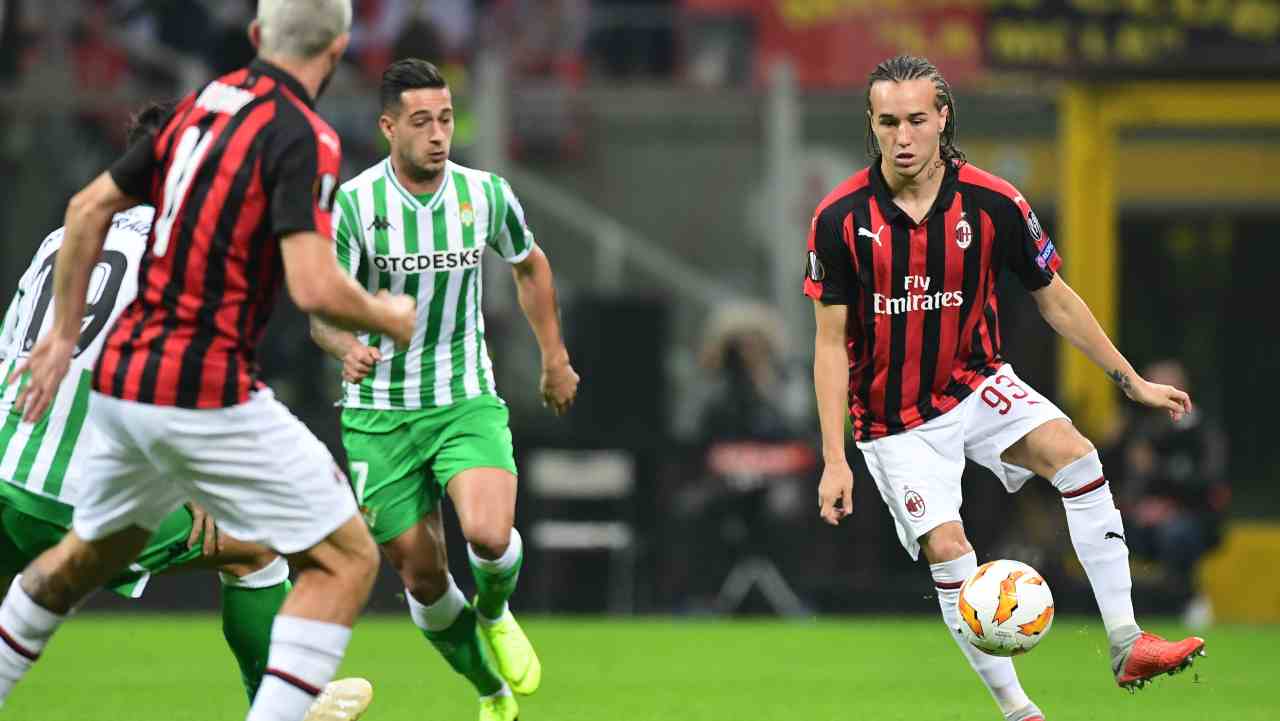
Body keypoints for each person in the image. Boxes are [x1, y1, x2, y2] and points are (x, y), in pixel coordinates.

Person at [0, 3, 416, 721]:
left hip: (8, 462)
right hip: (84, 470)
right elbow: (295, 292)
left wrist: (64, 339)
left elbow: (65, 262)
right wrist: (387, 314)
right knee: (285, 549)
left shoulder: (55, 244)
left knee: (54, 581)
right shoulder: (258, 166)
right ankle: (284, 701)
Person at [805, 55, 1205, 721]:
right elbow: (827, 344)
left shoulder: (993, 202)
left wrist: (1130, 377)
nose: (902, 136)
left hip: (974, 382)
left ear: (943, 119)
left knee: (1076, 454)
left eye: (916, 120)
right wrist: (833, 458)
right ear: (871, 126)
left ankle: (1128, 641)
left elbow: (1058, 300)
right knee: (950, 547)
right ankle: (1020, 711)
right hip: (893, 420)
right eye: (887, 122)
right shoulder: (840, 218)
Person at [309, 58, 579, 721]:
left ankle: (495, 609)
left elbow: (530, 265)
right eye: (422, 121)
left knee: (488, 533)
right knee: (423, 575)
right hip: (378, 416)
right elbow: (321, 307)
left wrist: (554, 357)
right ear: (388, 126)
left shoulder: (484, 193)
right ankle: (490, 690)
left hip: (463, 393)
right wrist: (347, 345)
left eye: (447, 119)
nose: (438, 134)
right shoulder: (355, 205)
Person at [1119, 360, 1229, 628]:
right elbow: (1131, 482)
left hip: (1195, 517)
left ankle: (1189, 599)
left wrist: (1165, 493)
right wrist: (1138, 504)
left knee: (1175, 533)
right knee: (1110, 530)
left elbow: (1210, 480)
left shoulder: (1202, 430)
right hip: (1148, 518)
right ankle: (1121, 609)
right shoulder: (1143, 429)